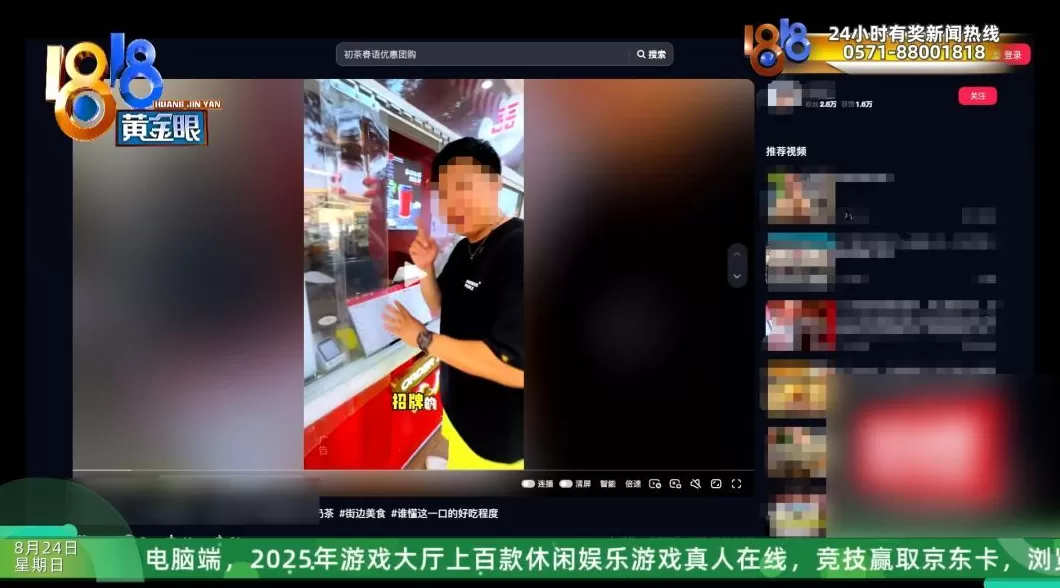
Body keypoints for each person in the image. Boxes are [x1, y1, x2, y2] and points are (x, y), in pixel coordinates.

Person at [382, 137, 525, 470]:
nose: (453, 203)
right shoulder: (464, 248)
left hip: (496, 437)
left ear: (495, 185)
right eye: (444, 193)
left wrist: (422, 338)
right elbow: (440, 307)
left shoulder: (518, 249)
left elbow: (518, 371)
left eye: (464, 187)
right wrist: (426, 268)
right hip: (460, 412)